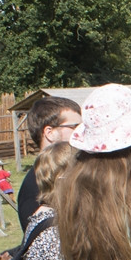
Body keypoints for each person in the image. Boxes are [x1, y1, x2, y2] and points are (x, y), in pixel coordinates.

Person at [18, 97, 82, 231]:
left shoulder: (67, 173)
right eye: (75, 127)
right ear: (50, 133)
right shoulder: (35, 186)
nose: (81, 132)